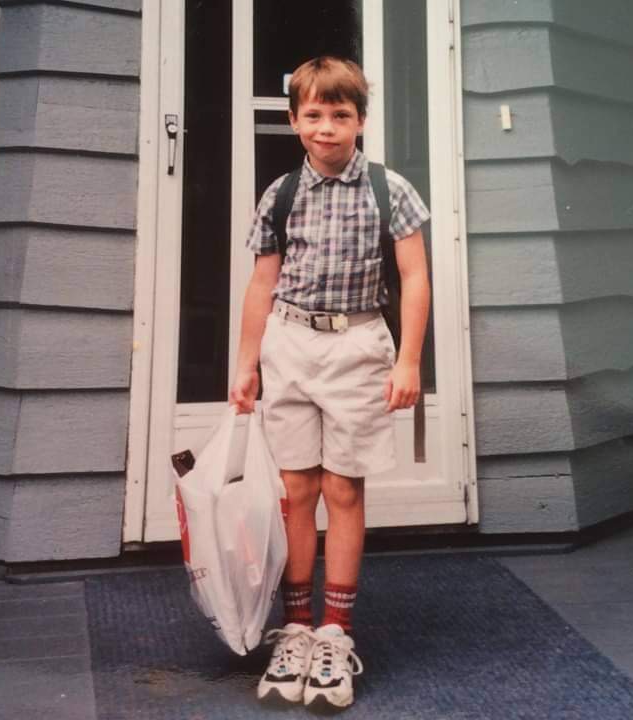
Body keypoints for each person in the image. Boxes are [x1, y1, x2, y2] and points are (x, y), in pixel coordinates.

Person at [229, 56, 430, 712]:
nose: (325, 127)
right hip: (289, 341)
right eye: (311, 115)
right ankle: (294, 629)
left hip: (358, 344)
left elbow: (414, 279)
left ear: (360, 120)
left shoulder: (387, 189)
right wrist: (247, 361)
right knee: (296, 488)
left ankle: (334, 631)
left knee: (342, 487)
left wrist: (407, 361)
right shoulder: (281, 193)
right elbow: (262, 282)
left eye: (339, 115)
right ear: (293, 121)